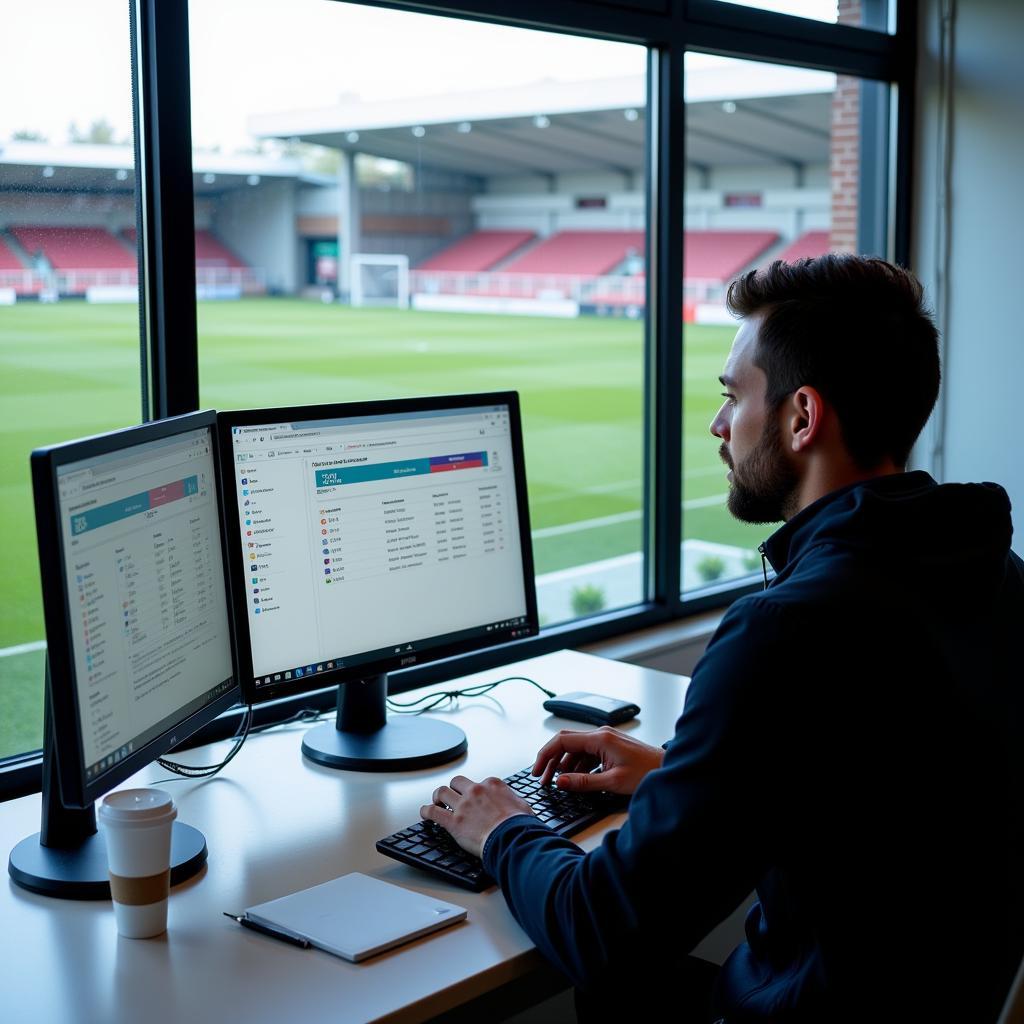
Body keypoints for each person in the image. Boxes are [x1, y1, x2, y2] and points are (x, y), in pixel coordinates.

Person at [421, 254, 1024, 1021]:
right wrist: (686, 776)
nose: (716, 425)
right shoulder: (995, 572)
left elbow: (601, 931)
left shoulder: (787, 629)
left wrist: (503, 827)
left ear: (802, 417)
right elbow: (893, 788)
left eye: (733, 397)